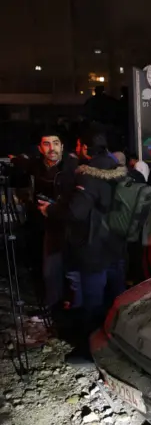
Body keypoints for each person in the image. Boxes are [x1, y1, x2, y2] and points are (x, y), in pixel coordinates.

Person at [38, 127, 128, 362]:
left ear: (85, 148)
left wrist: (51, 209)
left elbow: (77, 212)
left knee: (93, 302)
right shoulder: (118, 170)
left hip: (94, 248)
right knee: (116, 299)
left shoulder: (89, 174)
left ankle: (91, 352)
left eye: (79, 146)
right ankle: (120, 345)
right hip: (116, 245)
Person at [10, 131, 78, 318]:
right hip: (45, 226)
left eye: (56, 143)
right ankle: (53, 307)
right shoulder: (35, 166)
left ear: (62, 147)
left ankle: (72, 308)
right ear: (40, 148)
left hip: (70, 226)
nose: (52, 148)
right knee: (50, 270)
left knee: (71, 270)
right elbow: (23, 164)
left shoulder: (73, 168)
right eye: (46, 144)